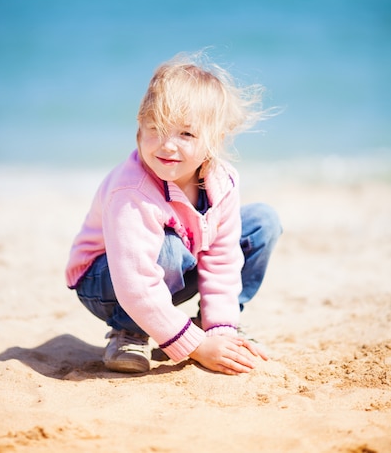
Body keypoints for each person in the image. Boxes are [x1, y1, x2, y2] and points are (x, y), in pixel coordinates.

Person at [65, 52, 282, 375]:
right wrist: (194, 348)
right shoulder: (132, 192)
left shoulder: (222, 181)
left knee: (262, 222)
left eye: (186, 134)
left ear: (214, 141)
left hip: (170, 269)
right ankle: (129, 331)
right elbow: (134, 283)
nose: (167, 146)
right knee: (169, 249)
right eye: (155, 128)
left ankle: (205, 325)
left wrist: (217, 331)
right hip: (107, 282)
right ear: (138, 129)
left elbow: (222, 259)